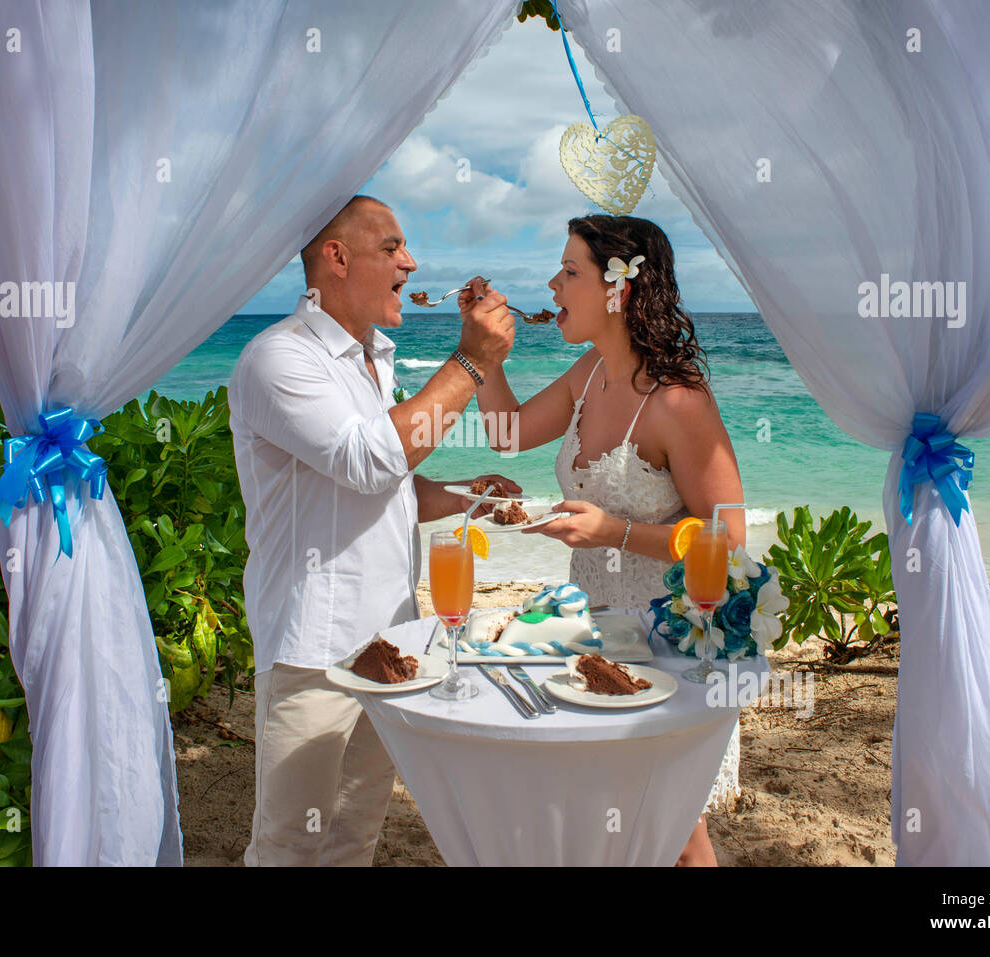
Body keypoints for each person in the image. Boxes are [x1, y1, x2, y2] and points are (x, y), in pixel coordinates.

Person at [229, 195, 517, 865]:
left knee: (354, 838)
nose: (411, 262)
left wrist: (466, 496)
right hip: (313, 651)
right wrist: (470, 363)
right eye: (391, 248)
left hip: (390, 639)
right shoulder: (278, 359)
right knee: (287, 846)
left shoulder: (372, 358)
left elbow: (385, 484)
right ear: (336, 257)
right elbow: (369, 461)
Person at [472, 214, 746, 867]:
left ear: (618, 288)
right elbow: (506, 432)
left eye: (570, 272)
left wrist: (614, 531)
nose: (552, 283)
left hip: (674, 633)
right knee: (612, 813)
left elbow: (727, 538)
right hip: (595, 627)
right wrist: (485, 358)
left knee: (675, 829)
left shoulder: (680, 401)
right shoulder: (587, 373)